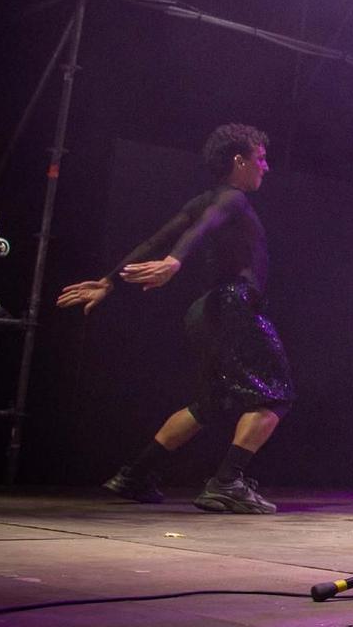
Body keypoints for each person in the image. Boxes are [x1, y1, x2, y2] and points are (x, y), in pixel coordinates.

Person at [57, 124, 290, 515]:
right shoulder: (231, 199)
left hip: (207, 310)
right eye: (260, 159)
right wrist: (174, 262)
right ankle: (227, 482)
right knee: (275, 395)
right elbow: (199, 230)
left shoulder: (202, 199)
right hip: (234, 304)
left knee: (211, 402)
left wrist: (110, 281)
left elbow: (154, 240)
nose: (265, 168)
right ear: (239, 160)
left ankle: (134, 474)